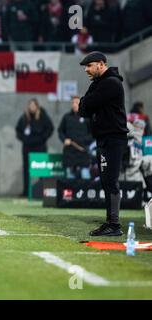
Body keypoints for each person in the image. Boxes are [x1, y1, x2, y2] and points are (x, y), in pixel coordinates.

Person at [78, 51, 128, 237]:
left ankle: (114, 225)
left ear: (100, 64)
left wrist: (86, 104)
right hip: (104, 138)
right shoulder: (99, 84)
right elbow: (83, 109)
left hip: (113, 138)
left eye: (89, 66)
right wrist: (85, 104)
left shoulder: (111, 83)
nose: (86, 70)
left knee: (110, 182)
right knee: (107, 182)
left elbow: (87, 104)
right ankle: (111, 223)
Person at [16, 98, 54, 197]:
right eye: (30, 105)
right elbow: (18, 130)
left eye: (33, 105)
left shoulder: (43, 116)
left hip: (40, 147)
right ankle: (26, 192)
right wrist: (23, 139)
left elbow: (50, 128)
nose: (31, 107)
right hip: (27, 147)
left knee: (41, 170)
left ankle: (42, 192)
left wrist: (43, 138)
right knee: (26, 170)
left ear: (37, 106)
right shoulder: (24, 117)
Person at [58, 96, 93, 180]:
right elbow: (60, 131)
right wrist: (64, 139)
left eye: (76, 103)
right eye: (73, 103)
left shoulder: (87, 117)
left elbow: (93, 133)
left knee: (85, 176)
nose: (74, 105)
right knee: (70, 178)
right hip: (70, 152)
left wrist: (84, 140)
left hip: (83, 151)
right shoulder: (67, 117)